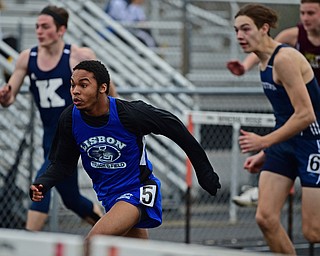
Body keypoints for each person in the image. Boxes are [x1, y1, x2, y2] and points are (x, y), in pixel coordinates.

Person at [29, 59, 221, 254]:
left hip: (138, 190)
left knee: (92, 244)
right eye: (72, 85)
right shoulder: (70, 119)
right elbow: (62, 164)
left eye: (83, 85)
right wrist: (43, 183)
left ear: (103, 88)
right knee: (136, 252)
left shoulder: (129, 114)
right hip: (109, 197)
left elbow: (176, 129)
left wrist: (204, 172)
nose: (75, 91)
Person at [0, 5, 117, 231]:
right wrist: (5, 95)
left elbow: (110, 91)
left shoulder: (79, 56)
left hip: (74, 133)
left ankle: (27, 242)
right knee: (71, 198)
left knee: (41, 182)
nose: (39, 31)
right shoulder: (27, 58)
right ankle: (112, 231)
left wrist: (114, 119)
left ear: (61, 30)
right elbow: (10, 96)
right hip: (50, 136)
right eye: (37, 27)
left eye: (45, 27)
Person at [232, 3, 320, 254]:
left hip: (313, 143)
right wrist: (267, 152)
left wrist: (264, 143)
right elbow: (286, 116)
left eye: (246, 29)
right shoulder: (263, 63)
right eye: (236, 30)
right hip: (285, 144)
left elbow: (306, 114)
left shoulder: (285, 59)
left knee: (313, 231)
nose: (239, 35)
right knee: (265, 218)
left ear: (264, 28)